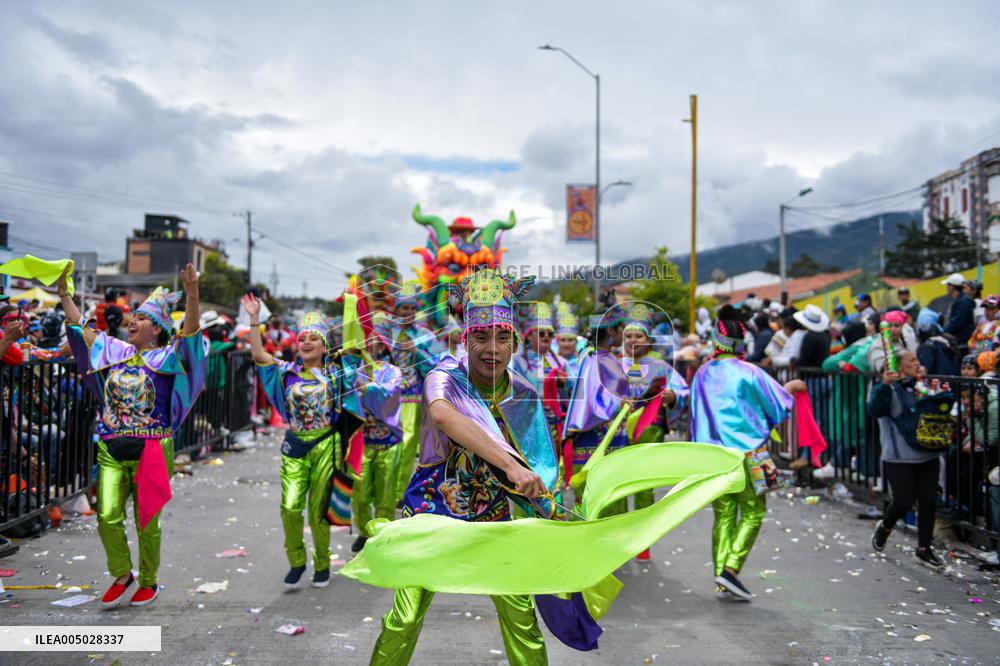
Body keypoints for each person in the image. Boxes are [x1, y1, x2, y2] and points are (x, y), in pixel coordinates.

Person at [368, 268, 553, 665]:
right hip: (435, 508)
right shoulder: (445, 376)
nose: (492, 348)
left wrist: (540, 492)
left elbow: (539, 458)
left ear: (515, 341)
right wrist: (510, 465)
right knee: (404, 617)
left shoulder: (522, 392)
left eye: (502, 337)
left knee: (522, 619)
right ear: (466, 339)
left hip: (497, 514)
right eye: (481, 337)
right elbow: (444, 417)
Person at [61, 264, 207, 608]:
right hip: (111, 445)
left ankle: (149, 580)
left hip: (152, 449)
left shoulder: (168, 358)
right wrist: (65, 294)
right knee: (107, 515)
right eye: (133, 315)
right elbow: (81, 331)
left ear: (156, 329)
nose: (132, 320)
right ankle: (122, 573)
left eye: (141, 317)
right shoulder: (115, 352)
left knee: (147, 522)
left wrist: (192, 293)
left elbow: (190, 334)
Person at [690, 318, 795, 601]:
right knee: (752, 512)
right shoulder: (750, 372)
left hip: (712, 456)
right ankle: (732, 568)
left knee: (723, 514)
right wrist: (792, 389)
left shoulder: (701, 373)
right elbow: (780, 404)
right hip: (747, 455)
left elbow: (695, 415)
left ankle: (723, 578)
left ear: (716, 341)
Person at [245, 297, 339, 588]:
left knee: (319, 510)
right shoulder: (286, 372)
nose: (307, 342)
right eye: (303, 338)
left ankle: (322, 564)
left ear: (324, 347)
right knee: (290, 506)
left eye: (314, 338)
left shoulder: (337, 374)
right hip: (295, 446)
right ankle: (297, 560)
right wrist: (254, 319)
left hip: (326, 444)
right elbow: (259, 354)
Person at [620, 304, 689, 561]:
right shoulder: (613, 364)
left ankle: (642, 540)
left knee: (644, 484)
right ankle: (618, 534)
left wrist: (673, 397)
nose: (633, 340)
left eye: (639, 336)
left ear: (648, 339)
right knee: (618, 481)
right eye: (628, 336)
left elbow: (682, 391)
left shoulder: (660, 366)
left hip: (649, 429)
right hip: (618, 431)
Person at [868, 350, 947, 570]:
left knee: (928, 500)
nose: (917, 363)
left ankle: (924, 549)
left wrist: (933, 388)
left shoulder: (923, 386)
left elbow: (939, 410)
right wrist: (884, 384)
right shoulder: (887, 389)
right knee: (903, 501)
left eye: (917, 360)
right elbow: (874, 409)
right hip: (899, 457)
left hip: (928, 453)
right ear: (899, 366)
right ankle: (885, 526)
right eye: (912, 361)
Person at [562, 304, 630, 513]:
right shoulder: (593, 359)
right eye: (621, 330)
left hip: (613, 439)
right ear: (610, 331)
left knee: (613, 503)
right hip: (597, 441)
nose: (623, 335)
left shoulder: (608, 358)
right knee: (599, 506)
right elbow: (589, 403)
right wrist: (618, 404)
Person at [347, 314, 404, 553]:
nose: (371, 345)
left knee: (385, 496)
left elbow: (388, 394)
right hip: (363, 442)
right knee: (359, 496)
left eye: (376, 341)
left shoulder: (393, 372)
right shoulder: (355, 371)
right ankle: (363, 530)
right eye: (368, 340)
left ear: (383, 346)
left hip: (388, 442)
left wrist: (366, 387)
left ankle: (382, 535)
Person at [387, 285, 445, 506]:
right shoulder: (387, 334)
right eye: (403, 308)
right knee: (390, 446)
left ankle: (400, 494)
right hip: (387, 400)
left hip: (413, 399)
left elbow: (438, 364)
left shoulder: (424, 335)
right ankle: (387, 490)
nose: (407, 312)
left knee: (409, 442)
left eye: (412, 308)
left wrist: (416, 351)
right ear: (396, 311)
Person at [868, 310, 918, 374]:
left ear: (902, 327)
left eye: (896, 326)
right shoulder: (877, 344)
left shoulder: (905, 341)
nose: (893, 329)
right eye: (889, 326)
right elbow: (882, 368)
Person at [942, 273, 975, 351]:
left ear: (952, 287)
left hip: (962, 341)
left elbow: (956, 322)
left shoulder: (962, 302)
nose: (947, 287)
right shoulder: (961, 300)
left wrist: (943, 334)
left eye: (948, 285)